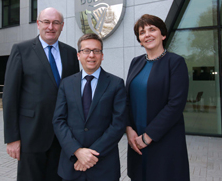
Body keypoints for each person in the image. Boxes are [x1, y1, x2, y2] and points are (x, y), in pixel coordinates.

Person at [2, 7, 80, 181]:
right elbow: (9, 97)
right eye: (46, 22)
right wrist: (12, 138)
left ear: (62, 26)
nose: (50, 27)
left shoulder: (70, 53)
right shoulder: (21, 50)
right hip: (31, 135)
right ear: (38, 24)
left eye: (56, 23)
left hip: (62, 137)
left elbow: (74, 96)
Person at [53, 33, 126, 181]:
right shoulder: (66, 84)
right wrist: (77, 151)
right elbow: (58, 120)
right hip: (72, 164)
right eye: (86, 50)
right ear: (79, 55)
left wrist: (90, 155)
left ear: (102, 55)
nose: (91, 55)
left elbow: (118, 124)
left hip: (103, 165)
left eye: (96, 51)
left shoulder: (116, 84)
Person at [125, 14, 190, 181]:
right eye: (142, 32)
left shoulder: (175, 63)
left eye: (152, 29)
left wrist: (148, 137)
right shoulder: (135, 62)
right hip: (136, 140)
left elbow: (175, 105)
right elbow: (127, 99)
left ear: (163, 34)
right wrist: (129, 129)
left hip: (163, 140)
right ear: (139, 40)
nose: (147, 34)